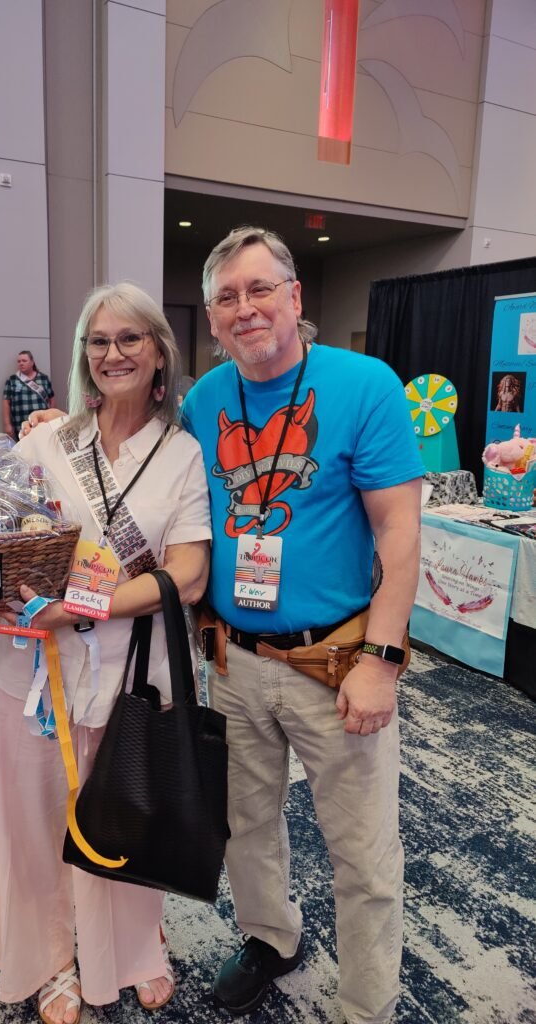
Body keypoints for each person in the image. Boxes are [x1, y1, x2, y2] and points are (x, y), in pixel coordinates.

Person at [179, 227, 424, 1024]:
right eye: (227, 297)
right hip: (233, 659)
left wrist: (382, 659)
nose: (245, 308)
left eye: (260, 289)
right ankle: (270, 938)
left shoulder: (365, 385)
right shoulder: (205, 401)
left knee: (362, 851)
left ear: (294, 296)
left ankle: (365, 1006)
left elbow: (400, 532)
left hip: (337, 662)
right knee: (245, 824)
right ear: (212, 318)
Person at [0, 283, 211, 1024]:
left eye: (130, 338)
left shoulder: (181, 454)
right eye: (99, 340)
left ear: (159, 352)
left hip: (132, 667)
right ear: (84, 355)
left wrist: (81, 607)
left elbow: (188, 572)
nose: (114, 354)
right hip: (34, 671)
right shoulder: (45, 444)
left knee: (127, 812)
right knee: (37, 817)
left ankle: (135, 948)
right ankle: (51, 958)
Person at [2, 349, 54, 440]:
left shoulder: (44, 378)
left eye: (24, 361)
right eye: (19, 361)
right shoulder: (12, 380)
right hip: (21, 426)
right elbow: (6, 402)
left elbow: (51, 399)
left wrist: (52, 419)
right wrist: (7, 424)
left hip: (41, 424)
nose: (21, 363)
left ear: (32, 362)